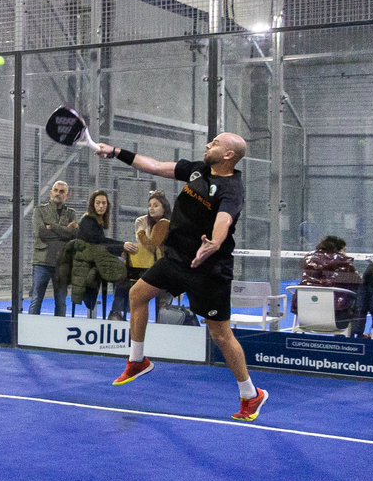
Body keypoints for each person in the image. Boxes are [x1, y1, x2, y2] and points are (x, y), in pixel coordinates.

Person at [95, 133, 269, 422]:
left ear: (229, 155)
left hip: (209, 270)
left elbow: (224, 220)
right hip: (176, 260)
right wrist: (115, 151)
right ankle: (137, 360)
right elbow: (153, 166)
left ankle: (251, 394)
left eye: (215, 143)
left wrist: (213, 243)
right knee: (137, 294)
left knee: (220, 335)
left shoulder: (232, 188)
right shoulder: (197, 169)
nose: (208, 145)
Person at [78, 190, 138, 320]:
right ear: (92, 205)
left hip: (96, 261)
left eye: (104, 203)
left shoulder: (96, 221)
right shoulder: (88, 220)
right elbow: (100, 242)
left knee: (124, 270)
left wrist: (120, 251)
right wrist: (122, 246)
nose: (101, 206)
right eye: (98, 203)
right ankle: (116, 312)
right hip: (88, 265)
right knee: (124, 273)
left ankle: (116, 312)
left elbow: (101, 244)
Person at [30, 181, 77, 316]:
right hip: (42, 262)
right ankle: (31, 327)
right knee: (36, 300)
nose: (58, 193)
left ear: (67, 195)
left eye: (61, 191)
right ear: (51, 193)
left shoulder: (71, 214)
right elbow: (41, 233)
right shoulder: (39, 210)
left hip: (62, 263)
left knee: (61, 302)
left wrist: (52, 227)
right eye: (55, 190)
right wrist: (65, 231)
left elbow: (73, 235)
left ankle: (60, 328)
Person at [293, 236, 363, 327]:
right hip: (336, 317)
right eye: (344, 250)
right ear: (338, 250)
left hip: (305, 315)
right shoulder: (344, 263)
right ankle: (356, 332)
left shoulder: (307, 259)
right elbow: (356, 282)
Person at [128, 191, 172, 321]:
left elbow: (151, 247)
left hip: (167, 267)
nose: (151, 208)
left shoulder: (164, 223)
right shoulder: (156, 224)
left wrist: (140, 231)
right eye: (150, 205)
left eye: (156, 205)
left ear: (164, 208)